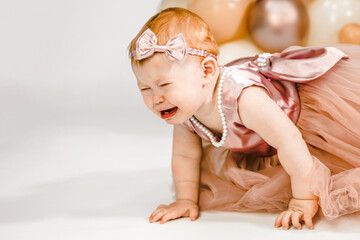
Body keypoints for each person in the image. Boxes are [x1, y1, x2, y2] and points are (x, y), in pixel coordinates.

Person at [128, 7, 360, 230]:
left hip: (302, 122)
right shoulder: (184, 110)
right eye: (144, 89)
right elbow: (184, 155)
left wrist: (302, 199)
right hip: (264, 145)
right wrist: (185, 200)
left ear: (207, 72)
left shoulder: (242, 97)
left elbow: (289, 140)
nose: (156, 99)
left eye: (164, 85)